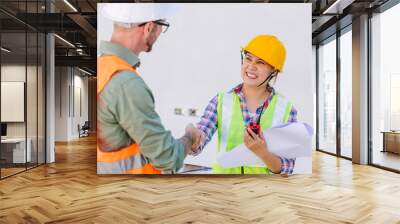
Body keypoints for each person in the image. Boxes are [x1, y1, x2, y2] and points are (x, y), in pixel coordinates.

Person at [97, 3, 201, 174]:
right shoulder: (126, 83)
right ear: (149, 27)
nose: (160, 33)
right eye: (162, 26)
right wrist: (190, 136)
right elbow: (168, 158)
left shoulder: (103, 67)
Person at [194, 35, 297, 175]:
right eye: (248, 58)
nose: (251, 67)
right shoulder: (221, 101)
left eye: (260, 62)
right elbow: (199, 138)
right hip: (225, 189)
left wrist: (262, 152)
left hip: (264, 191)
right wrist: (190, 141)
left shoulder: (286, 109)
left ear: (273, 70)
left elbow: (287, 167)